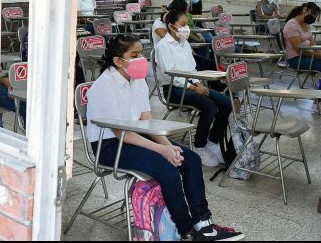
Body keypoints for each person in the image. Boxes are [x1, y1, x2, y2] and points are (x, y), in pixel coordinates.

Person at [86, 34, 244, 242]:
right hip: (109, 146)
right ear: (118, 60)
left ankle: (203, 224)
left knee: (190, 159)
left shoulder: (137, 80)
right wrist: (162, 151)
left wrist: (170, 147)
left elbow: (147, 122)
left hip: (134, 134)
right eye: (134, 55)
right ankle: (187, 231)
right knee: (166, 169)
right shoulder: (105, 86)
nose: (141, 59)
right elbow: (120, 133)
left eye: (142, 53)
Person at [155, 10, 232, 167]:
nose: (186, 28)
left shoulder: (184, 44)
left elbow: (192, 69)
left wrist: (197, 83)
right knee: (209, 106)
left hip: (190, 85)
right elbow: (170, 74)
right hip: (173, 89)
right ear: (171, 26)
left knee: (226, 103)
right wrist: (192, 87)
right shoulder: (163, 46)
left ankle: (213, 141)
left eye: (187, 25)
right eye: (183, 25)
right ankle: (199, 146)